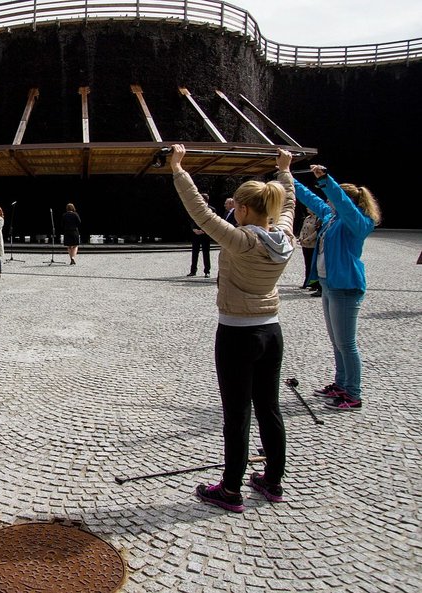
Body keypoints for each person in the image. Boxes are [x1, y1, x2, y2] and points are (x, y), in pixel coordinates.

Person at [169, 144, 295, 513]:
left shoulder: (241, 240)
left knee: (237, 414)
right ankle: (273, 481)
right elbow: (288, 206)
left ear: (241, 209)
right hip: (272, 332)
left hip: (237, 333)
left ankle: (230, 490)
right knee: (269, 408)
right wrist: (284, 171)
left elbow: (201, 213)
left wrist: (178, 169)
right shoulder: (284, 237)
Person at [294, 165, 381, 411]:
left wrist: (326, 181)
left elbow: (341, 204)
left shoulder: (359, 223)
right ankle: (341, 384)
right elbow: (311, 199)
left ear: (345, 203)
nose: (327, 202)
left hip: (346, 287)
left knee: (347, 344)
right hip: (329, 284)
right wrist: (287, 176)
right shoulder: (332, 218)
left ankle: (353, 394)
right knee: (337, 341)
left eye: (332, 199)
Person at [187, 194, 214, 277]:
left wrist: (204, 230)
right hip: (196, 234)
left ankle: (207, 271)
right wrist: (194, 229)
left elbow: (212, 221)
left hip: (205, 234)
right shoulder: (195, 209)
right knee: (194, 253)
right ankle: (193, 271)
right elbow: (191, 219)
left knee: (206, 253)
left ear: (204, 200)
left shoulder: (212, 209)